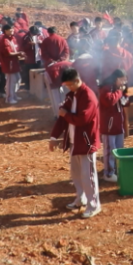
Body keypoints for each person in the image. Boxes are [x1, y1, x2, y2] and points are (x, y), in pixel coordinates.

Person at [49, 68, 102, 219]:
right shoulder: (71, 95)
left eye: (70, 85)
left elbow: (82, 119)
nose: (68, 88)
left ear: (77, 81)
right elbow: (62, 117)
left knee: (88, 176)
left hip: (86, 142)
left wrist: (66, 114)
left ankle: (94, 204)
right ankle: (81, 199)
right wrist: (54, 137)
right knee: (76, 174)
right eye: (66, 86)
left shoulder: (89, 97)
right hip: (74, 141)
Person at [98, 70, 129, 183]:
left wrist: (125, 95)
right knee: (110, 150)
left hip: (118, 125)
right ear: (115, 78)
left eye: (124, 80)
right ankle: (108, 173)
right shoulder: (106, 89)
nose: (123, 82)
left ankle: (116, 169)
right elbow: (109, 101)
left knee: (119, 149)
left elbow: (125, 102)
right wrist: (120, 92)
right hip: (108, 126)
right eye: (121, 79)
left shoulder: (118, 89)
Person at [0, 24, 25, 104]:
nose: (12, 31)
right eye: (10, 30)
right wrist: (19, 54)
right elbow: (8, 53)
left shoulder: (12, 38)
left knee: (17, 79)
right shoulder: (3, 40)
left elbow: (15, 49)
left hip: (14, 62)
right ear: (5, 31)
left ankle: (14, 95)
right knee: (11, 81)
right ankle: (9, 98)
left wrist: (19, 54)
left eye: (12, 30)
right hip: (8, 63)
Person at [20, 26, 43, 92]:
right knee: (28, 74)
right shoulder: (26, 37)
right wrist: (30, 44)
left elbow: (43, 44)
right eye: (34, 33)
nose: (35, 34)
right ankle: (28, 88)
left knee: (38, 73)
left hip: (38, 58)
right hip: (30, 59)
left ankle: (37, 87)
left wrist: (41, 43)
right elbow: (22, 47)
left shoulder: (39, 36)